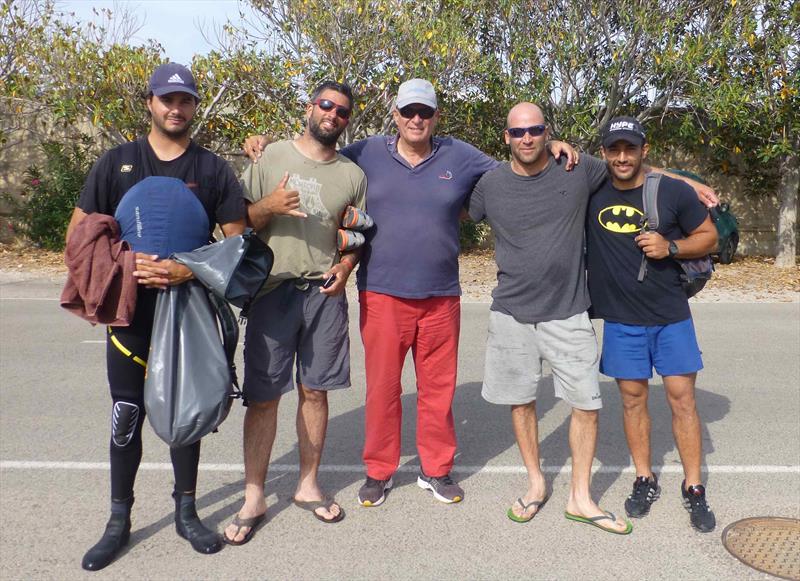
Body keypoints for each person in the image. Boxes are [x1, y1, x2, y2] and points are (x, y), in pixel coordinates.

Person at [243, 80, 578, 508]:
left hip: (441, 294)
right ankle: (378, 471)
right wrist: (266, 143)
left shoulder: (459, 154)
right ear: (396, 116)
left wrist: (552, 147)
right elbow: (314, 154)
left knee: (438, 389)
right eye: (408, 112)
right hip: (382, 292)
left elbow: (515, 161)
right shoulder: (364, 153)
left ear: (436, 116)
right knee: (382, 389)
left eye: (425, 112)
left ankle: (435, 469)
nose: (416, 119)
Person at [467, 103, 717, 532]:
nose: (527, 137)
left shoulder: (580, 172)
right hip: (521, 312)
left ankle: (600, 496)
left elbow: (644, 176)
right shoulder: (492, 184)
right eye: (518, 131)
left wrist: (689, 187)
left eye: (537, 130)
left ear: (548, 133)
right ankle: (543, 485)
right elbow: (452, 211)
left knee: (604, 402)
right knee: (530, 402)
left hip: (584, 312)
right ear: (506, 137)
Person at [66, 62, 247, 571]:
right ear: (149, 102)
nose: (176, 108)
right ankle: (118, 521)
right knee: (127, 414)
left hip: (186, 311)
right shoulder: (118, 163)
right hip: (130, 312)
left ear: (194, 106)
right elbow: (78, 239)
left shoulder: (211, 169)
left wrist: (188, 270)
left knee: (184, 411)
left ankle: (186, 511)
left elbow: (236, 244)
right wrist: (126, 261)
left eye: (185, 100)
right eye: (167, 99)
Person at [223, 81, 367, 545]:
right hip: (272, 291)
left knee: (316, 391)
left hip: (324, 294)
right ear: (310, 108)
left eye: (342, 111)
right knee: (264, 396)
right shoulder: (270, 156)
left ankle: (307, 485)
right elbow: (235, 221)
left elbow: (358, 236)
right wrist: (269, 206)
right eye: (326, 105)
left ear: (347, 121)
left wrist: (345, 267)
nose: (332, 115)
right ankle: (253, 496)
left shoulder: (352, 175)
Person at [586, 116, 718, 532]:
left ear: (644, 149)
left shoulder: (673, 191)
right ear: (604, 152)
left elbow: (709, 237)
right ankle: (645, 478)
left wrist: (672, 246)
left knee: (682, 401)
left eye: (630, 148)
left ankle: (694, 487)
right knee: (632, 400)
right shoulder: (592, 190)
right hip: (622, 319)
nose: (622, 157)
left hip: (670, 316)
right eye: (614, 149)